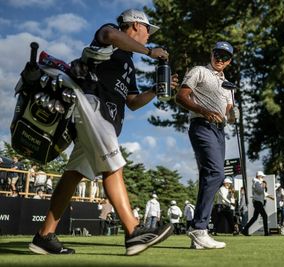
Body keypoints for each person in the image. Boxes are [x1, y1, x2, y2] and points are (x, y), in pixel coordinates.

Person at [29, 8, 177, 256]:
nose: (149, 35)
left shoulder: (128, 62)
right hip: (92, 108)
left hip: (106, 119)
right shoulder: (112, 37)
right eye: (147, 30)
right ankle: (133, 232)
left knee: (73, 175)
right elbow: (109, 34)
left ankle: (44, 236)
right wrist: (151, 53)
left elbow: (131, 101)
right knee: (113, 165)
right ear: (134, 26)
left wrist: (153, 89)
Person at [176, 41, 238, 249]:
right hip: (202, 125)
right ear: (211, 54)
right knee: (216, 173)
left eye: (224, 57)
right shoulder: (199, 71)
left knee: (208, 177)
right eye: (217, 54)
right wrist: (203, 111)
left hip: (219, 131)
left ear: (229, 61)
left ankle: (198, 236)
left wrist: (233, 114)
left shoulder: (228, 84)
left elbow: (229, 115)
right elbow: (181, 96)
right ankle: (199, 227)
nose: (219, 59)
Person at [242, 171, 271, 236]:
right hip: (258, 202)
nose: (263, 178)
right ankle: (266, 233)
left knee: (255, 217)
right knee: (264, 216)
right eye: (262, 177)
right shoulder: (256, 182)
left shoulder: (257, 182)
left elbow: (261, 192)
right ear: (259, 176)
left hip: (258, 202)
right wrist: (263, 186)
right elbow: (259, 191)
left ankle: (245, 230)